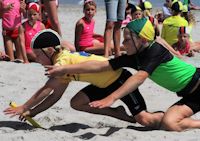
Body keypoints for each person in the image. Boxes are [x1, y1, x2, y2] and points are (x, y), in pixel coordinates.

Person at [45, 18, 200, 131]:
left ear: (142, 39)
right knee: (169, 123)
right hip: (191, 97)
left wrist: (111, 98)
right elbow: (100, 65)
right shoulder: (133, 57)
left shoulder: (155, 50)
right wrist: (65, 70)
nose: (123, 44)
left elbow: (139, 77)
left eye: (127, 39)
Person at [4, 29, 165, 128]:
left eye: (39, 55)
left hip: (120, 80)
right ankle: (117, 113)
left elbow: (46, 90)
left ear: (50, 50)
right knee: (76, 103)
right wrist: (33, 112)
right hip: (102, 85)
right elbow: (55, 96)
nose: (37, 59)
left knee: (143, 119)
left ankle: (168, 117)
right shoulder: (60, 62)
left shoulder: (62, 63)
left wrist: (24, 107)